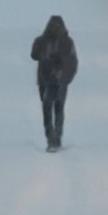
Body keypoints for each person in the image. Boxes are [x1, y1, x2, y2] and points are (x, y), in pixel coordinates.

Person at [30, 15, 78, 151]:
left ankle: (53, 138)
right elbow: (34, 55)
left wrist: (65, 76)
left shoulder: (51, 41)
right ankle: (55, 137)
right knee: (56, 108)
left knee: (50, 107)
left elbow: (71, 62)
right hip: (53, 80)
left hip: (53, 80)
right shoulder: (63, 42)